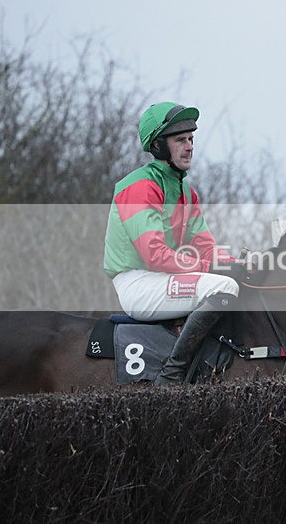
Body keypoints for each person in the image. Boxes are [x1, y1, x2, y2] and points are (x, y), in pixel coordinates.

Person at [104, 102, 247, 386]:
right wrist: (213, 268)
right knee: (224, 287)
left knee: (237, 282)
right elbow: (155, 255)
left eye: (191, 139)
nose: (189, 146)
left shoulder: (186, 193)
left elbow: (207, 248)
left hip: (162, 279)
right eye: (180, 140)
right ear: (158, 146)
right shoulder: (139, 186)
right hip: (137, 284)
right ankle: (170, 376)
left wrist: (240, 265)